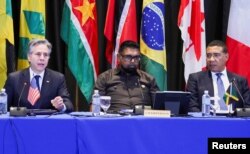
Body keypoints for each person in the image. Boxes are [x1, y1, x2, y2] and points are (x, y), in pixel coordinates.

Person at [4, 38, 73, 112]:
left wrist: (61, 106)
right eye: (38, 54)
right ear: (29, 57)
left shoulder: (58, 78)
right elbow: (3, 106)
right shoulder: (14, 78)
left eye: (45, 55)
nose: (42, 58)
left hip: (47, 123)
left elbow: (69, 105)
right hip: (20, 123)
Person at [94, 40, 159, 112]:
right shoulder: (105, 78)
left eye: (136, 57)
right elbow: (94, 107)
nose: (133, 61)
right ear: (119, 57)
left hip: (143, 120)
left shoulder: (148, 79)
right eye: (128, 57)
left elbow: (159, 107)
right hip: (114, 120)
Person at [186, 40, 250, 112]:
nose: (211, 59)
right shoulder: (196, 79)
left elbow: (247, 108)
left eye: (216, 55)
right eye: (208, 55)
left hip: (233, 122)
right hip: (206, 121)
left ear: (226, 57)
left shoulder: (239, 81)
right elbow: (192, 107)